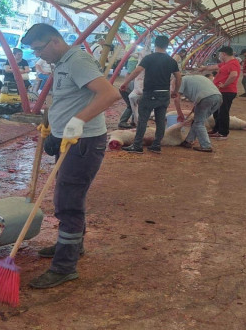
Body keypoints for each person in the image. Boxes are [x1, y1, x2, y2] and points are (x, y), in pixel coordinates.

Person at [21, 23, 120, 289]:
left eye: (39, 49)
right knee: (71, 195)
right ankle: (73, 246)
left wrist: (77, 121)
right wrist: (54, 123)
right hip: (69, 139)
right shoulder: (62, 61)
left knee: (67, 202)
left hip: (83, 141)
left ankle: (65, 267)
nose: (38, 55)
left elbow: (110, 93)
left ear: (55, 41)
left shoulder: (77, 60)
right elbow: (71, 97)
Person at [119, 35, 181, 154]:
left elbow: (137, 71)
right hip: (164, 94)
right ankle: (156, 145)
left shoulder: (149, 58)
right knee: (160, 120)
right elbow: (178, 77)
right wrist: (175, 91)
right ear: (167, 45)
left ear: (155, 44)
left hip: (150, 93)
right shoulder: (171, 60)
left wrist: (126, 83)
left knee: (142, 119)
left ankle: (137, 146)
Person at [197, 46, 241, 140]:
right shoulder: (226, 63)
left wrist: (225, 85)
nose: (219, 56)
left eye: (220, 54)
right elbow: (215, 66)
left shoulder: (233, 63)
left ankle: (223, 133)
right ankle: (216, 129)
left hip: (227, 91)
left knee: (223, 113)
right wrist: (204, 68)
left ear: (224, 54)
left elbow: (234, 75)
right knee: (217, 112)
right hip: (221, 91)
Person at [175, 75, 223, 153]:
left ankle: (206, 146)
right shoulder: (196, 78)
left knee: (199, 123)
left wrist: (179, 113)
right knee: (197, 121)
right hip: (218, 98)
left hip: (205, 98)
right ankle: (188, 141)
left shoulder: (181, 80)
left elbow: (176, 99)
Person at [117, 53, 139, 129]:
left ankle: (133, 121)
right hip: (126, 90)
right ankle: (123, 122)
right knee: (131, 106)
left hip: (127, 88)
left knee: (134, 105)